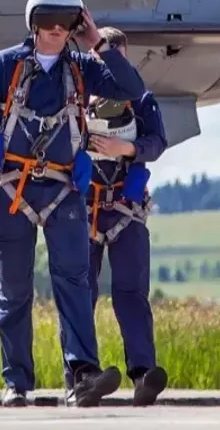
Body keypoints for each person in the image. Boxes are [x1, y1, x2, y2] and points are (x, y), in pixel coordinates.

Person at [0, 0, 147, 408]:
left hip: (65, 189)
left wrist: (97, 43)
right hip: (13, 189)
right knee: (14, 289)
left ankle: (82, 374)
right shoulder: (5, 66)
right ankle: (16, 381)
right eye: (48, 22)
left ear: (75, 24)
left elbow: (130, 89)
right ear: (33, 24)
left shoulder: (82, 66)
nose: (56, 30)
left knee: (74, 281)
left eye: (65, 23)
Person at [76, 26, 169, 406]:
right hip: (80, 211)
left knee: (131, 293)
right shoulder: (75, 94)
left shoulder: (141, 99)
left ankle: (143, 373)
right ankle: (83, 375)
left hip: (126, 210)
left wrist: (125, 148)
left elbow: (157, 142)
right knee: (80, 293)